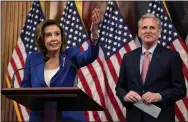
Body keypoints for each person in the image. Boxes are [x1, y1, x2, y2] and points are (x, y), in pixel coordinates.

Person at [21, 8, 100, 122]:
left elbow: (89, 55)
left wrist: (94, 35)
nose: (54, 38)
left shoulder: (71, 55)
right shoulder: (32, 59)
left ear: (62, 38)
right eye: (48, 35)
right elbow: (25, 89)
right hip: (40, 118)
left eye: (57, 34)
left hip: (69, 118)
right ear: (42, 40)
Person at [115, 13, 186, 122]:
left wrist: (159, 96)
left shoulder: (172, 56)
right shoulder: (128, 57)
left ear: (159, 32)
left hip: (161, 118)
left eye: (152, 28)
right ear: (139, 32)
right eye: (144, 28)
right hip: (134, 118)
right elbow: (119, 87)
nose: (148, 31)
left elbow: (181, 90)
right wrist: (125, 96)